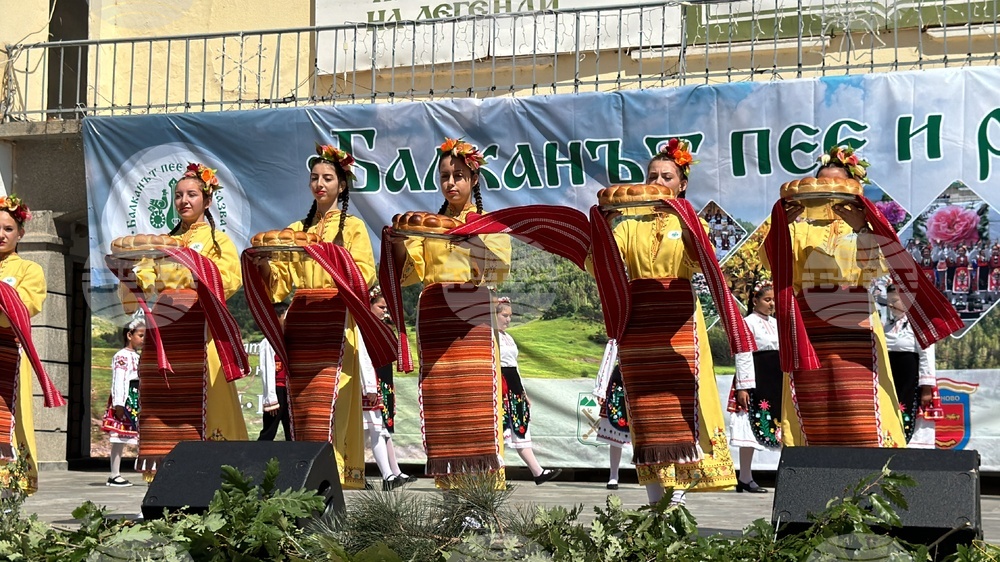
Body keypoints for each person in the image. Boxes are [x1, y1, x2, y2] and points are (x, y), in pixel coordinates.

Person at [590, 139, 754, 505]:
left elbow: (700, 260)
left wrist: (681, 217)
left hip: (680, 322)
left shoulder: (692, 223)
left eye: (667, 176)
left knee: (683, 407)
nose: (659, 182)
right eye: (652, 176)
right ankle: (654, 505)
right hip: (639, 325)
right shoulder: (628, 226)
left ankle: (677, 501)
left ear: (682, 184)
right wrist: (605, 226)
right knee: (647, 414)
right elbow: (599, 264)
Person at [764, 144, 961, 448]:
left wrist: (861, 228)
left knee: (862, 403)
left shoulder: (864, 227)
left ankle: (872, 481)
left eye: (837, 187)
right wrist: (782, 225)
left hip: (856, 322)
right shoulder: (799, 229)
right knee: (814, 401)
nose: (829, 195)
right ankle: (811, 474)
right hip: (807, 325)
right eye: (822, 186)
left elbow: (881, 266)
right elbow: (772, 264)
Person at [389, 137, 511, 487]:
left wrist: (469, 239)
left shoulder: (490, 222)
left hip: (472, 321)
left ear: (474, 179)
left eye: (458, 175)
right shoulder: (426, 225)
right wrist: (397, 243)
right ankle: (451, 497)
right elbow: (405, 273)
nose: (451, 183)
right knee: (444, 408)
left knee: (475, 404)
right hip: (435, 320)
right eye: (444, 176)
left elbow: (498, 271)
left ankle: (481, 498)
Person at [258, 144, 375, 490]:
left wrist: (330, 260)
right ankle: (307, 474)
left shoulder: (353, 227)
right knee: (304, 405)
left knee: (333, 402)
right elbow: (280, 284)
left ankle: (335, 474)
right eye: (314, 178)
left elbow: (365, 274)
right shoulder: (296, 229)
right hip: (302, 320)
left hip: (336, 319)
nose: (319, 183)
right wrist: (265, 264)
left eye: (327, 178)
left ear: (342, 185)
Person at [122, 162, 249, 476]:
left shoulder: (218, 242)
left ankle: (215, 479)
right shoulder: (161, 243)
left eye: (192, 194)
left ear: (207, 200)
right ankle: (163, 481)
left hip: (201, 334)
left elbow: (229, 279)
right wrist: (132, 274)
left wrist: (196, 273)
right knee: (163, 404)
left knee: (207, 406)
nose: (184, 201)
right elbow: (146, 280)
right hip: (165, 336)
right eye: (178, 195)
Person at [0, 194, 64, 494]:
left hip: (7, 353)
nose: (1, 234)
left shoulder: (28, 270)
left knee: (7, 421)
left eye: (8, 229)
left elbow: (23, 307)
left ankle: (8, 489)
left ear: (20, 233)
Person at [496, 297, 562, 485]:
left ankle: (537, 472)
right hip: (500, 385)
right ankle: (495, 477)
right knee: (500, 430)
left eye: (510, 316)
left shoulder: (508, 337)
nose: (508, 319)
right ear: (494, 315)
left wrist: (523, 392)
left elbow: (514, 366)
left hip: (513, 385)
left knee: (520, 428)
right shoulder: (491, 336)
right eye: (504, 315)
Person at [727, 283, 780, 493]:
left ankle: (782, 473)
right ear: (754, 301)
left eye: (773, 300)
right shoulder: (747, 323)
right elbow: (743, 354)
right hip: (755, 377)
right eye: (767, 300)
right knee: (751, 423)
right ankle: (745, 477)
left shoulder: (776, 323)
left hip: (775, 378)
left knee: (776, 424)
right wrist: (743, 387)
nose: (772, 304)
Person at [363, 286, 415, 489]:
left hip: (384, 380)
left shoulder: (383, 327)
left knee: (382, 427)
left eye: (385, 308)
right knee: (373, 428)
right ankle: (383, 474)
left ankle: (393, 472)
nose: (384, 311)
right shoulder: (364, 328)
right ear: (369, 305)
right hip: (371, 380)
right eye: (381, 307)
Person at [884, 285, 938, 448]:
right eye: (889, 301)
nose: (891, 305)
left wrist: (927, 387)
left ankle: (909, 443)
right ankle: (890, 441)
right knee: (890, 407)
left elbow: (927, 354)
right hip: (890, 373)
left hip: (911, 375)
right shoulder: (885, 323)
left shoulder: (919, 323)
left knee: (907, 408)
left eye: (895, 301)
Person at [101, 317, 145, 487]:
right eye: (140, 335)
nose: (143, 339)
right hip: (126, 398)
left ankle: (144, 470)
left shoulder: (137, 356)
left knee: (136, 436)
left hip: (136, 397)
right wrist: (119, 403)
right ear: (129, 335)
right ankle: (114, 474)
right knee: (119, 437)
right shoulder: (121, 356)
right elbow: (119, 380)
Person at [258, 302, 290, 441]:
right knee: (269, 430)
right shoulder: (268, 342)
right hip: (277, 391)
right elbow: (267, 370)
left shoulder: (290, 340)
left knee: (291, 431)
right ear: (276, 318)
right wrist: (271, 399)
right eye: (285, 316)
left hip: (289, 391)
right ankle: (256, 459)